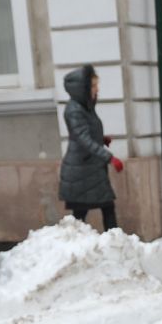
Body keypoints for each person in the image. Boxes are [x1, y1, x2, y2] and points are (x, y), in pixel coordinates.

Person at [59, 64, 122, 231]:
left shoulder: (85, 107)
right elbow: (83, 140)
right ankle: (75, 246)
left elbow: (85, 133)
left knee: (101, 207)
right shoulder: (74, 110)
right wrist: (110, 158)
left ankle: (113, 241)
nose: (97, 89)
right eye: (93, 86)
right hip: (81, 169)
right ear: (83, 88)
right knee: (82, 212)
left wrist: (101, 139)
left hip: (89, 168)